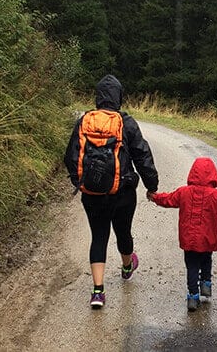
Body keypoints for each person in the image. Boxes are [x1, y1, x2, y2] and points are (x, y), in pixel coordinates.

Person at [64, 74, 160, 309]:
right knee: (123, 232)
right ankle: (127, 266)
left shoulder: (84, 121)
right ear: (119, 97)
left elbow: (70, 157)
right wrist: (152, 185)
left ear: (98, 97)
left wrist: (82, 182)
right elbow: (142, 155)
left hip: (92, 195)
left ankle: (98, 291)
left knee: (99, 236)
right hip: (123, 193)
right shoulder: (125, 122)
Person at [149, 157, 217, 312]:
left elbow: (168, 199)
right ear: (213, 175)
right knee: (206, 259)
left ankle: (193, 296)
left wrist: (154, 197)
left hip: (189, 239)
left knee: (192, 266)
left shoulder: (183, 192)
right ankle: (206, 284)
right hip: (208, 238)